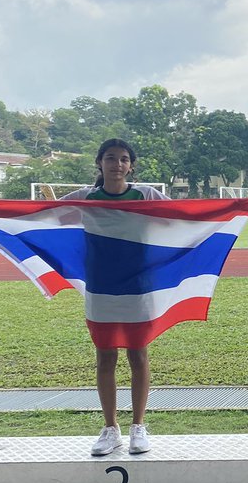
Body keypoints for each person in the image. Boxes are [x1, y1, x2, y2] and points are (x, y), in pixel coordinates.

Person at [61, 138, 168, 456]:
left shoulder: (147, 194)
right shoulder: (85, 197)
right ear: (100, 163)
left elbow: (178, 216)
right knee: (105, 357)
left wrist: (234, 212)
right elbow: (47, 214)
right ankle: (110, 429)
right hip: (100, 287)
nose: (117, 164)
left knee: (138, 355)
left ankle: (138, 427)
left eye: (123, 159)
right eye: (110, 158)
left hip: (138, 286)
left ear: (130, 165)